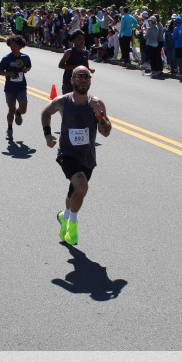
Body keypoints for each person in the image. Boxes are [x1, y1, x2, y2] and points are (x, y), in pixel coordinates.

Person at [41, 66, 112, 246]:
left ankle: (63, 216)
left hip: (87, 156)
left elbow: (106, 132)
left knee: (74, 191)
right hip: (67, 153)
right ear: (71, 80)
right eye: (79, 77)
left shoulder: (97, 103)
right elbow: (45, 113)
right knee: (81, 186)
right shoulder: (62, 102)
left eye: (86, 77)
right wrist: (47, 134)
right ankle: (72, 228)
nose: (83, 80)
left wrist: (99, 116)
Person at [0, 35, 32, 139]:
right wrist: (9, 74)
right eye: (11, 45)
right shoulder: (6, 58)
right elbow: (0, 72)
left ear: (20, 46)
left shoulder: (25, 57)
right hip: (10, 88)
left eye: (15, 45)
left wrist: (26, 69)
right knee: (11, 109)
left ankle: (18, 113)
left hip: (21, 86)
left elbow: (29, 66)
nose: (13, 47)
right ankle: (9, 129)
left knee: (24, 109)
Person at [58, 29, 93, 94]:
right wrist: (76, 67)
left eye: (83, 39)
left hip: (81, 83)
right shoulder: (69, 52)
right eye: (79, 39)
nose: (82, 41)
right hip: (69, 82)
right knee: (68, 100)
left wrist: (90, 69)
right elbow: (60, 65)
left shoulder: (86, 53)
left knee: (80, 100)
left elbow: (86, 66)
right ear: (73, 41)